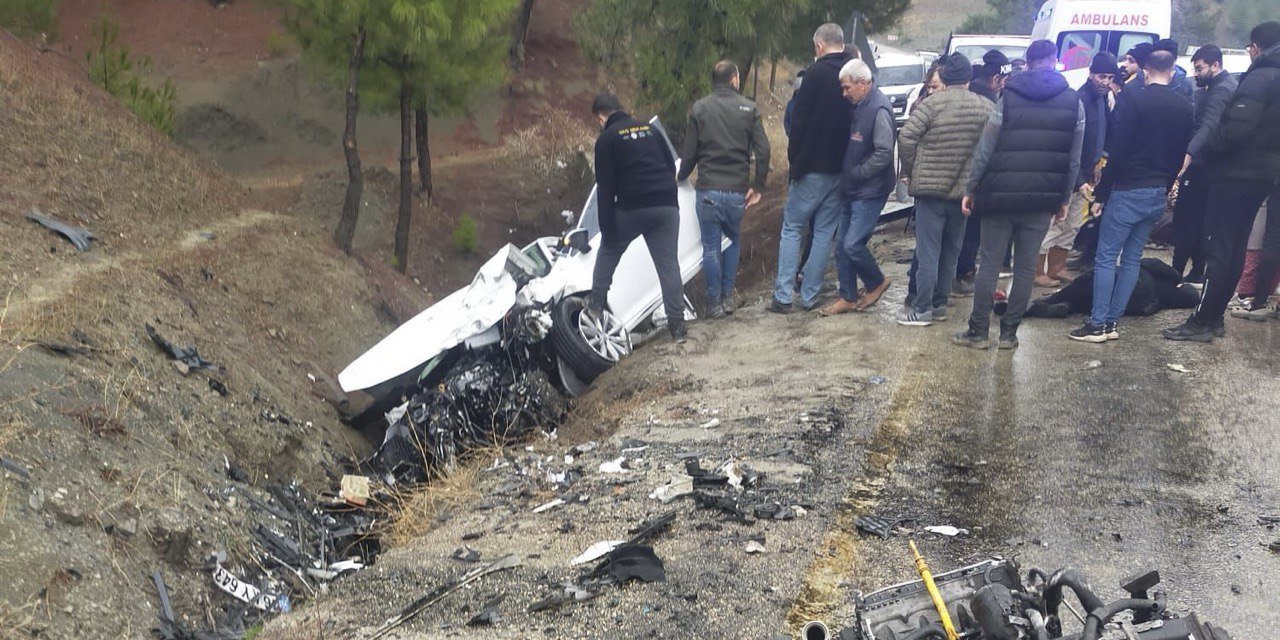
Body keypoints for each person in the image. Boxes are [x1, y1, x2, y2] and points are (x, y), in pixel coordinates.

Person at [954, 39, 1085, 350]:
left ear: (1027, 62)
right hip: (1042, 199)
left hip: (999, 195)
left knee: (989, 264)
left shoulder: (1008, 96)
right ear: (1055, 61)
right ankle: (1009, 334)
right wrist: (1064, 199)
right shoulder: (1073, 102)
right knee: (1025, 267)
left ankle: (978, 331)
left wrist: (971, 188)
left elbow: (986, 147)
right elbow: (1074, 158)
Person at [1165, 22, 1280, 342]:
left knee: (1219, 247)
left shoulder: (1260, 76)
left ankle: (1203, 320)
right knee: (1236, 247)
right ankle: (1214, 318)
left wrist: (1212, 152)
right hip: (1263, 175)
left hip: (1234, 174)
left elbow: (1237, 128)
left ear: (1255, 48)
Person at [1068, 50, 1193, 343]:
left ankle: (1097, 324)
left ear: (1146, 72)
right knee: (1133, 258)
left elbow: (1120, 151)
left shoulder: (1133, 99)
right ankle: (1112, 322)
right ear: (1172, 71)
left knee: (1106, 257)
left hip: (1127, 189)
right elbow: (1180, 153)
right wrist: (1165, 184)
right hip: (1156, 191)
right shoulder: (1185, 105)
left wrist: (1101, 193)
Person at [896, 53, 995, 326]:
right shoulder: (985, 107)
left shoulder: (931, 104)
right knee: (951, 252)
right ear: (968, 79)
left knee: (928, 252)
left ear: (946, 77)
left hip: (930, 192)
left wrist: (912, 168)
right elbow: (994, 143)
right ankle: (940, 305)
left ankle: (922, 308)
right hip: (963, 193)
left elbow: (906, 136)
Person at [586, 93, 686, 343]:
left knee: (608, 249)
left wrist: (607, 228)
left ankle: (596, 302)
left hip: (632, 208)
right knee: (669, 266)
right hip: (665, 207)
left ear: (601, 118)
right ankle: (678, 326)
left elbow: (606, 188)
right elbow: (671, 166)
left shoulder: (606, 140)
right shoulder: (650, 129)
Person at [771, 23, 855, 313]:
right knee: (824, 233)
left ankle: (783, 296)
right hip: (841, 168)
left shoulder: (815, 74)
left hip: (811, 168)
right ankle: (809, 296)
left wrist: (795, 163)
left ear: (819, 45)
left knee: (793, 228)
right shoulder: (855, 73)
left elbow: (800, 123)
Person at [679, 60, 771, 318]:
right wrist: (758, 185)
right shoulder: (749, 108)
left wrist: (680, 177)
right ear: (734, 79)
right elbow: (763, 151)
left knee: (710, 247)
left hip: (708, 191)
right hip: (736, 192)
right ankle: (728, 298)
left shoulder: (699, 108)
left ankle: (713, 303)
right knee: (732, 242)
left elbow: (690, 153)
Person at [820, 59, 896, 315]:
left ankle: (876, 281)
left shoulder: (879, 109)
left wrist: (859, 173)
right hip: (851, 188)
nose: (844, 93)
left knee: (853, 244)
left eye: (847, 87)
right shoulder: (859, 105)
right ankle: (848, 296)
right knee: (841, 245)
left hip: (870, 190)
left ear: (863, 84)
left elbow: (884, 152)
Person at [1037, 52, 1118, 288]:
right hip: (1068, 175)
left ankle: (1057, 267)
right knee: (1054, 224)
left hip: (1087, 173)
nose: (1105, 81)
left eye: (1109, 77)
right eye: (1101, 76)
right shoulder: (1078, 99)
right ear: (1091, 74)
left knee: (1072, 225)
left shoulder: (1104, 100)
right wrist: (1079, 177)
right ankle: (1036, 270)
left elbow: (1101, 135)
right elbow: (1069, 143)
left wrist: (1097, 163)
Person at [1027, 258, 1200, 318]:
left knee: (1088, 285)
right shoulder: (1162, 299)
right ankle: (1068, 307)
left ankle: (1049, 302)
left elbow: (1151, 263)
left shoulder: (1150, 271)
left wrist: (1177, 276)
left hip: (1122, 282)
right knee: (1092, 303)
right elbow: (1194, 297)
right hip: (1131, 304)